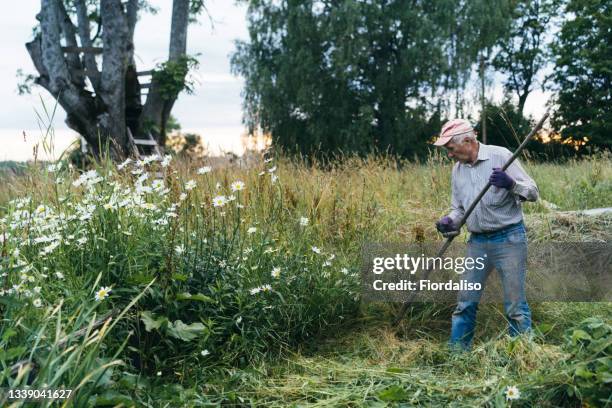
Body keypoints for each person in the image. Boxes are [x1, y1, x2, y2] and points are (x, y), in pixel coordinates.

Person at [433, 118, 539, 351]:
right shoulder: (458, 170)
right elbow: (459, 208)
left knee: (515, 305)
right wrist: (450, 221)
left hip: (509, 239)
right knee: (465, 302)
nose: (449, 155)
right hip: (477, 242)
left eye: (450, 149)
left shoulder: (501, 156)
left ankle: (522, 355)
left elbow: (533, 193)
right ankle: (457, 356)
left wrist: (511, 184)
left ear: (469, 141)